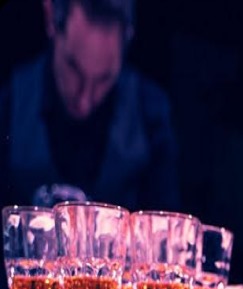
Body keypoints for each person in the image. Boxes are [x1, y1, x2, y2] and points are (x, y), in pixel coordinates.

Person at [0, 0, 181, 212]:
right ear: (50, 17)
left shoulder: (150, 113)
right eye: (73, 70)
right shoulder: (10, 102)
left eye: (104, 79)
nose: (84, 102)